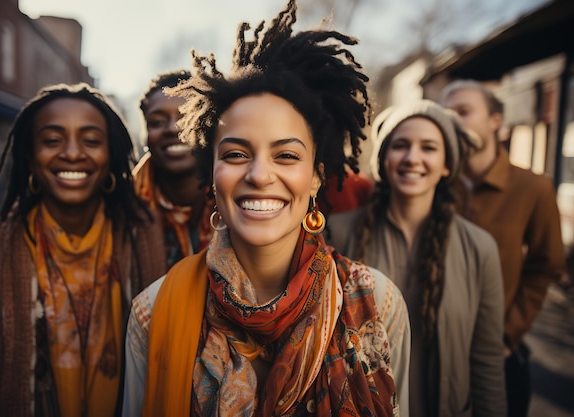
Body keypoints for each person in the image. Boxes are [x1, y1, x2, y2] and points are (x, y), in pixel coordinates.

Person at [122, 1, 410, 416]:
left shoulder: (379, 303)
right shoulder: (152, 312)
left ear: (315, 177)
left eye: (287, 156)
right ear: (212, 176)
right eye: (237, 154)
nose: (259, 174)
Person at [0, 83, 168, 417]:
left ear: (111, 155)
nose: (72, 152)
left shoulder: (143, 234)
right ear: (29, 156)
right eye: (52, 140)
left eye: (91, 140)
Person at [350, 99, 507, 416]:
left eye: (429, 148)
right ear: (383, 159)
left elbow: (487, 361)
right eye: (401, 145)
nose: (413, 158)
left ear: (447, 164)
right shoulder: (340, 235)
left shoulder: (480, 248)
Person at [441, 80, 566, 417]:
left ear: (495, 120)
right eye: (446, 114)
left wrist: (509, 335)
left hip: (498, 352)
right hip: (434, 349)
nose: (453, 121)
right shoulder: (434, 182)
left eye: (463, 112)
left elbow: (547, 264)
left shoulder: (533, 187)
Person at [133, 70, 214, 268]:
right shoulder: (121, 209)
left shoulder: (238, 199)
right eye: (157, 122)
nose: (173, 128)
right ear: (146, 135)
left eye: (187, 115)